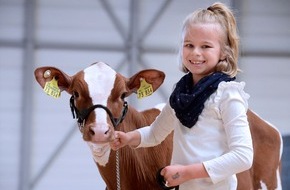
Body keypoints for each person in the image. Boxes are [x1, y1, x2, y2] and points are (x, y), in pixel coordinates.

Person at [110, 2, 253, 190]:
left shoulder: (227, 95)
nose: (195, 52)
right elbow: (154, 133)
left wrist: (187, 172)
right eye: (189, 45)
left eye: (206, 46)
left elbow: (243, 156)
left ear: (224, 53)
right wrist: (128, 138)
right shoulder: (181, 94)